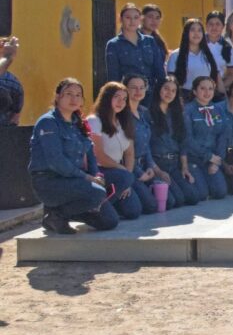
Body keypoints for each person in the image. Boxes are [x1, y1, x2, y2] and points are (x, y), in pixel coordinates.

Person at [28, 78, 119, 233]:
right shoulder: (48, 123)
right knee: (97, 192)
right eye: (68, 94)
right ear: (57, 97)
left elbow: (89, 152)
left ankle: (66, 212)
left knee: (109, 221)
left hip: (74, 181)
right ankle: (55, 215)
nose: (74, 98)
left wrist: (96, 174)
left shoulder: (78, 122)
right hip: (50, 181)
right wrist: (87, 178)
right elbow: (56, 162)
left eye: (78, 95)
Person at [89, 82, 150, 218]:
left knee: (135, 211)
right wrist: (125, 175)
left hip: (119, 172)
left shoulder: (123, 121)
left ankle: (110, 204)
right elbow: (99, 156)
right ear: (106, 97)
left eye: (124, 99)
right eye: (116, 97)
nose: (121, 102)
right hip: (99, 171)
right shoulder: (94, 121)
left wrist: (126, 181)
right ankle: (96, 209)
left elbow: (129, 153)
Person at [125, 75, 182, 210]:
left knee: (173, 201)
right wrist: (139, 173)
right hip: (129, 169)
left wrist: (155, 169)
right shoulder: (123, 114)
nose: (138, 91)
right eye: (133, 88)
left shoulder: (142, 112)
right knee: (148, 207)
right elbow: (126, 152)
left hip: (147, 166)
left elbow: (146, 146)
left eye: (141, 88)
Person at [148, 76, 200, 205]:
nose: (169, 93)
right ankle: (151, 186)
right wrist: (157, 171)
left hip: (174, 163)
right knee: (173, 202)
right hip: (157, 163)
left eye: (173, 90)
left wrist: (184, 167)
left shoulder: (178, 113)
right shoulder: (147, 112)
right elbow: (145, 146)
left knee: (192, 197)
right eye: (166, 89)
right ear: (158, 89)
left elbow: (183, 142)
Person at [182, 76, 228, 200]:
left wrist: (217, 161)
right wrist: (209, 156)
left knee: (220, 193)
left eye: (210, 89)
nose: (207, 92)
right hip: (194, 158)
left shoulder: (218, 109)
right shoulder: (188, 110)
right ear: (195, 91)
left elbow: (223, 135)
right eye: (202, 88)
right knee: (201, 195)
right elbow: (188, 139)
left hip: (213, 160)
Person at [105, 3, 166, 89]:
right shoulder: (114, 44)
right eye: (128, 17)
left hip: (150, 93)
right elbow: (113, 77)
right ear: (120, 19)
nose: (132, 21)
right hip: (128, 94)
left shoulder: (150, 41)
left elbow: (160, 72)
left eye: (136, 17)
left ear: (140, 20)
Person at [167, 19, 221, 100]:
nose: (196, 33)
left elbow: (217, 78)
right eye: (192, 30)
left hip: (208, 97)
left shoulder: (209, 55)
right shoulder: (175, 55)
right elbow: (171, 82)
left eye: (199, 30)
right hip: (185, 98)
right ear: (186, 33)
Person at [204, 10, 233, 95]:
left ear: (223, 27)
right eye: (211, 24)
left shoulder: (228, 48)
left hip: (217, 91)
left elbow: (232, 74)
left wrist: (218, 88)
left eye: (217, 24)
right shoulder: (197, 43)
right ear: (206, 26)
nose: (214, 27)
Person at [0, 36, 23, 126]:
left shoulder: (14, 84)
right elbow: (15, 119)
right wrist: (7, 58)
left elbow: (15, 118)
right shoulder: (14, 83)